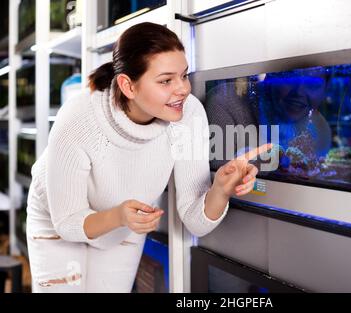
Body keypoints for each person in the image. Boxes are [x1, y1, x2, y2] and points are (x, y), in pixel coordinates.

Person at [25, 22, 271, 293]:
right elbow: (68, 223)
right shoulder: (79, 118)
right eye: (166, 80)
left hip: (124, 223)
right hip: (58, 222)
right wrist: (119, 216)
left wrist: (221, 190)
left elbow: (194, 219)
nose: (182, 89)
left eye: (184, 75)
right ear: (128, 86)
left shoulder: (189, 116)